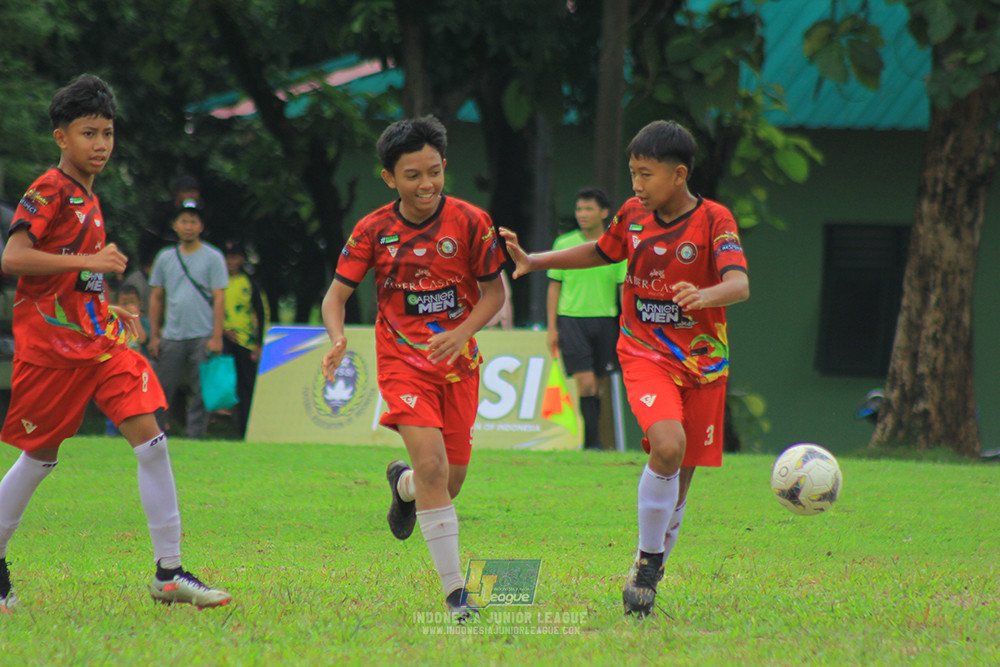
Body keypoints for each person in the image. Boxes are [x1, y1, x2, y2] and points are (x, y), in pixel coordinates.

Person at [500, 120, 749, 618]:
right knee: (668, 446)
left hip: (703, 362)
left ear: (679, 175)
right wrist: (536, 260)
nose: (636, 184)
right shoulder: (633, 215)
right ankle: (650, 561)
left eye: (645, 174)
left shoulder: (714, 220)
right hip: (644, 351)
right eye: (632, 172)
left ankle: (646, 568)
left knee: (682, 476)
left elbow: (739, 284)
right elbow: (601, 251)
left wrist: (705, 295)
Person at [0, 74, 230, 611]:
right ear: (61, 137)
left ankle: (169, 572)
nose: (101, 144)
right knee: (39, 457)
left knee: (153, 440)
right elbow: (14, 258)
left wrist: (106, 308)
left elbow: (74, 280)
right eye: (89, 133)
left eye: (107, 133)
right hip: (51, 351)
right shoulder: (49, 190)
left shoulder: (89, 197)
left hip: (98, 344)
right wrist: (91, 261)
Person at [320, 116, 506, 620]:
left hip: (459, 364)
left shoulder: (471, 222)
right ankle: (456, 595)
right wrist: (338, 339)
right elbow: (335, 297)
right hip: (402, 362)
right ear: (389, 178)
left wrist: (461, 333)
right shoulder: (373, 230)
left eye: (434, 172)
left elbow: (494, 294)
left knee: (447, 481)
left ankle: (402, 487)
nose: (426, 184)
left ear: (444, 165)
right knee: (433, 469)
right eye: (412, 175)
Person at [547, 187, 626, 450]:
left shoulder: (616, 245)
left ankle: (593, 443)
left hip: (605, 320)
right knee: (586, 383)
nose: (582, 214)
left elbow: (623, 287)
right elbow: (554, 285)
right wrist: (552, 328)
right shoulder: (564, 244)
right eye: (579, 209)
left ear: (604, 213)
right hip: (572, 320)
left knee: (598, 385)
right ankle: (591, 445)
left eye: (588, 209)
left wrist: (628, 324)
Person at [148, 200, 228, 439]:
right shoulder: (165, 257)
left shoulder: (214, 257)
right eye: (184, 221)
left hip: (203, 335)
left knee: (201, 391)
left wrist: (217, 336)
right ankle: (154, 436)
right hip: (171, 335)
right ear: (175, 225)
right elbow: (156, 297)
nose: (188, 226)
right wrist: (154, 335)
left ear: (201, 226)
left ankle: (195, 437)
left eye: (193, 221)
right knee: (161, 389)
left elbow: (219, 298)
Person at [221, 240, 269, 438]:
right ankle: (219, 429)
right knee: (222, 384)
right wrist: (222, 330)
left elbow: (260, 313)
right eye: (228, 257)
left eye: (234, 257)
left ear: (241, 259)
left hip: (245, 342)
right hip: (222, 340)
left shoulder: (250, 283)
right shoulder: (217, 282)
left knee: (246, 387)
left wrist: (258, 343)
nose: (231, 261)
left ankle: (245, 431)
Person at [138, 174, 200, 274]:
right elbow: (147, 240)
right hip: (163, 267)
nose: (192, 195)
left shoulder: (200, 214)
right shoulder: (163, 213)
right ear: (177, 193)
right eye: (187, 191)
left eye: (194, 192)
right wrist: (147, 265)